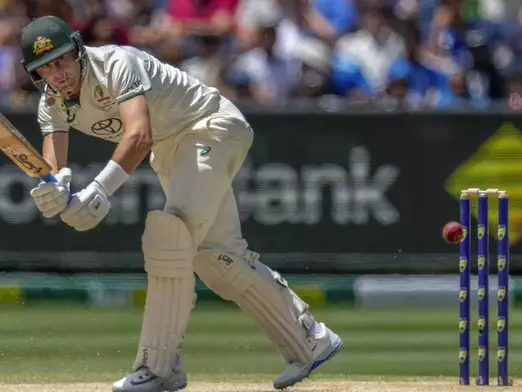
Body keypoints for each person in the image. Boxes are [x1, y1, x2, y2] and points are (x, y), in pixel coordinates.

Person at [21, 15, 343, 392]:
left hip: (210, 126)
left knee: (169, 237)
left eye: (61, 60)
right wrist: (54, 189)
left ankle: (158, 366)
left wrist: (98, 190)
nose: (57, 74)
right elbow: (53, 166)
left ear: (77, 50)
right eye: (46, 67)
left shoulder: (115, 63)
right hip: (172, 152)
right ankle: (308, 340)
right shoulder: (52, 102)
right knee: (217, 260)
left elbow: (139, 135)